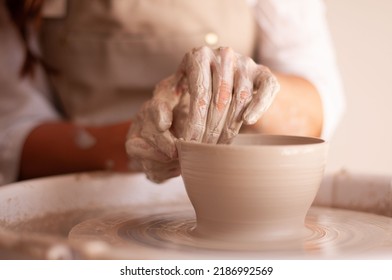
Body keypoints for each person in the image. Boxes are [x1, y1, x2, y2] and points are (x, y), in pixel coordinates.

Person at [0, 0, 345, 186]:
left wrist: (250, 92)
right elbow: (11, 135)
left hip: (236, 200)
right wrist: (133, 144)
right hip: (84, 204)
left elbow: (319, 109)